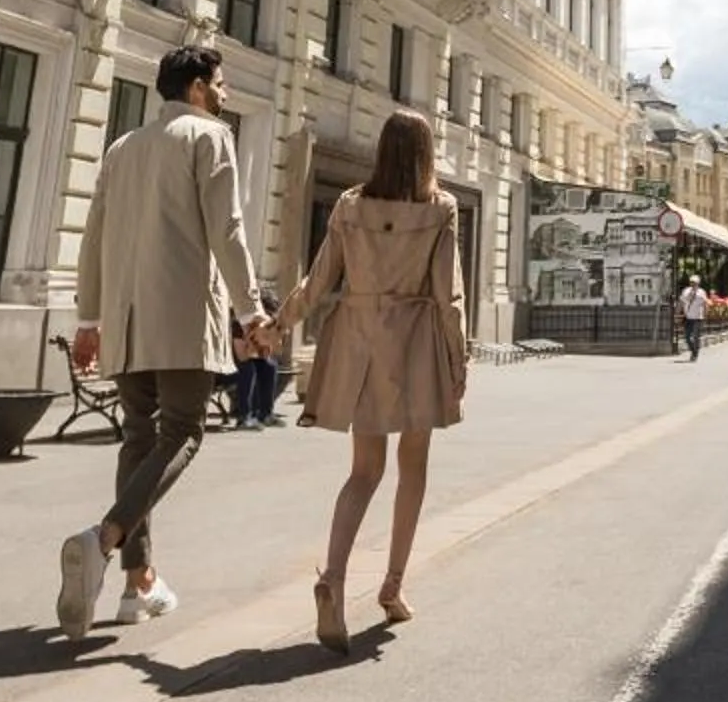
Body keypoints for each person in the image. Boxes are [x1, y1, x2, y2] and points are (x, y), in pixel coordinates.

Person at [58, 46, 266, 641]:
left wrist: (89, 318)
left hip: (125, 319)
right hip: (180, 318)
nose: (224, 94)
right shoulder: (209, 137)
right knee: (183, 433)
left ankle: (138, 583)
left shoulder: (123, 147)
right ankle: (104, 539)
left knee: (138, 435)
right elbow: (226, 230)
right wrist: (250, 310)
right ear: (199, 88)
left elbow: (93, 237)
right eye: (220, 84)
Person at [277, 108, 469, 651]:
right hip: (415, 344)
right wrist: (460, 363)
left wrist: (277, 325)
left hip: (359, 342)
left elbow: (318, 282)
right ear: (427, 155)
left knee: (363, 472)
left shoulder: (349, 204)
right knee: (413, 468)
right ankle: (392, 588)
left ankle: (333, 581)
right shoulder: (440, 208)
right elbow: (447, 297)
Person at [229, 295, 284, 429]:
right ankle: (244, 417)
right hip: (227, 366)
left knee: (269, 366)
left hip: (247, 359)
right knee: (248, 368)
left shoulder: (263, 328)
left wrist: (269, 340)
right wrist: (250, 341)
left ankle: (265, 414)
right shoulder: (239, 325)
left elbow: (270, 353)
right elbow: (242, 356)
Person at [677, 276, 708, 362]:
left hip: (697, 318)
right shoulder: (686, 291)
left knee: (695, 337)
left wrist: (705, 315)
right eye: (691, 282)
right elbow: (681, 302)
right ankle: (693, 351)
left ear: (698, 284)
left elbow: (705, 304)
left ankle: (695, 354)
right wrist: (677, 313)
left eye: (694, 282)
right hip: (688, 317)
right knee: (687, 337)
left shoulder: (701, 292)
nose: (693, 284)